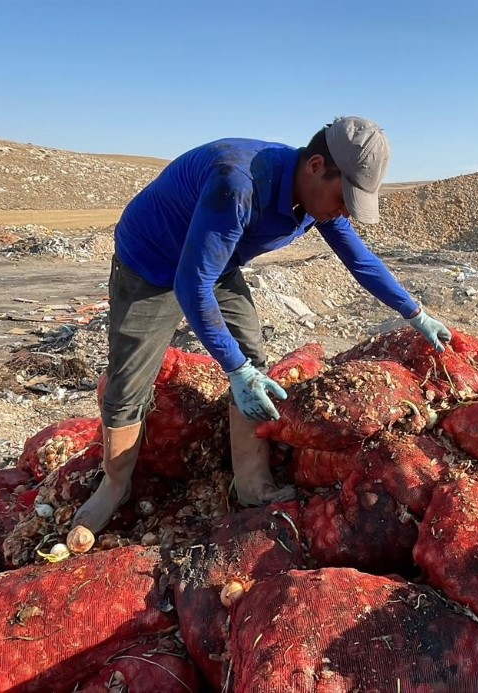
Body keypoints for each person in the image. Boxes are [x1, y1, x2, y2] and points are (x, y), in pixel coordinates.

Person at [70, 117, 452, 536]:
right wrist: (233, 370)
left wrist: (415, 314)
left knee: (253, 360)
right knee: (129, 382)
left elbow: (360, 262)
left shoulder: (316, 200)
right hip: (151, 264)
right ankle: (116, 483)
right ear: (316, 166)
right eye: (344, 198)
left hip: (216, 263)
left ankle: (252, 483)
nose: (344, 211)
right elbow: (190, 285)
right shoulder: (239, 183)